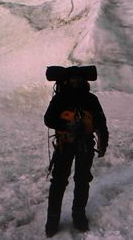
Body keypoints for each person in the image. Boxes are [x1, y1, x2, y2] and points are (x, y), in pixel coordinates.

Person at [44, 71, 109, 237]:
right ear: (67, 80)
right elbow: (48, 119)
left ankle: (78, 215)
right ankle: (52, 220)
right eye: (72, 78)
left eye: (78, 78)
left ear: (83, 80)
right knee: (59, 181)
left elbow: (101, 122)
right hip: (65, 144)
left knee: (81, 180)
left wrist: (103, 143)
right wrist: (68, 124)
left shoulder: (91, 99)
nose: (75, 81)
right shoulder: (60, 98)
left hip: (84, 145)